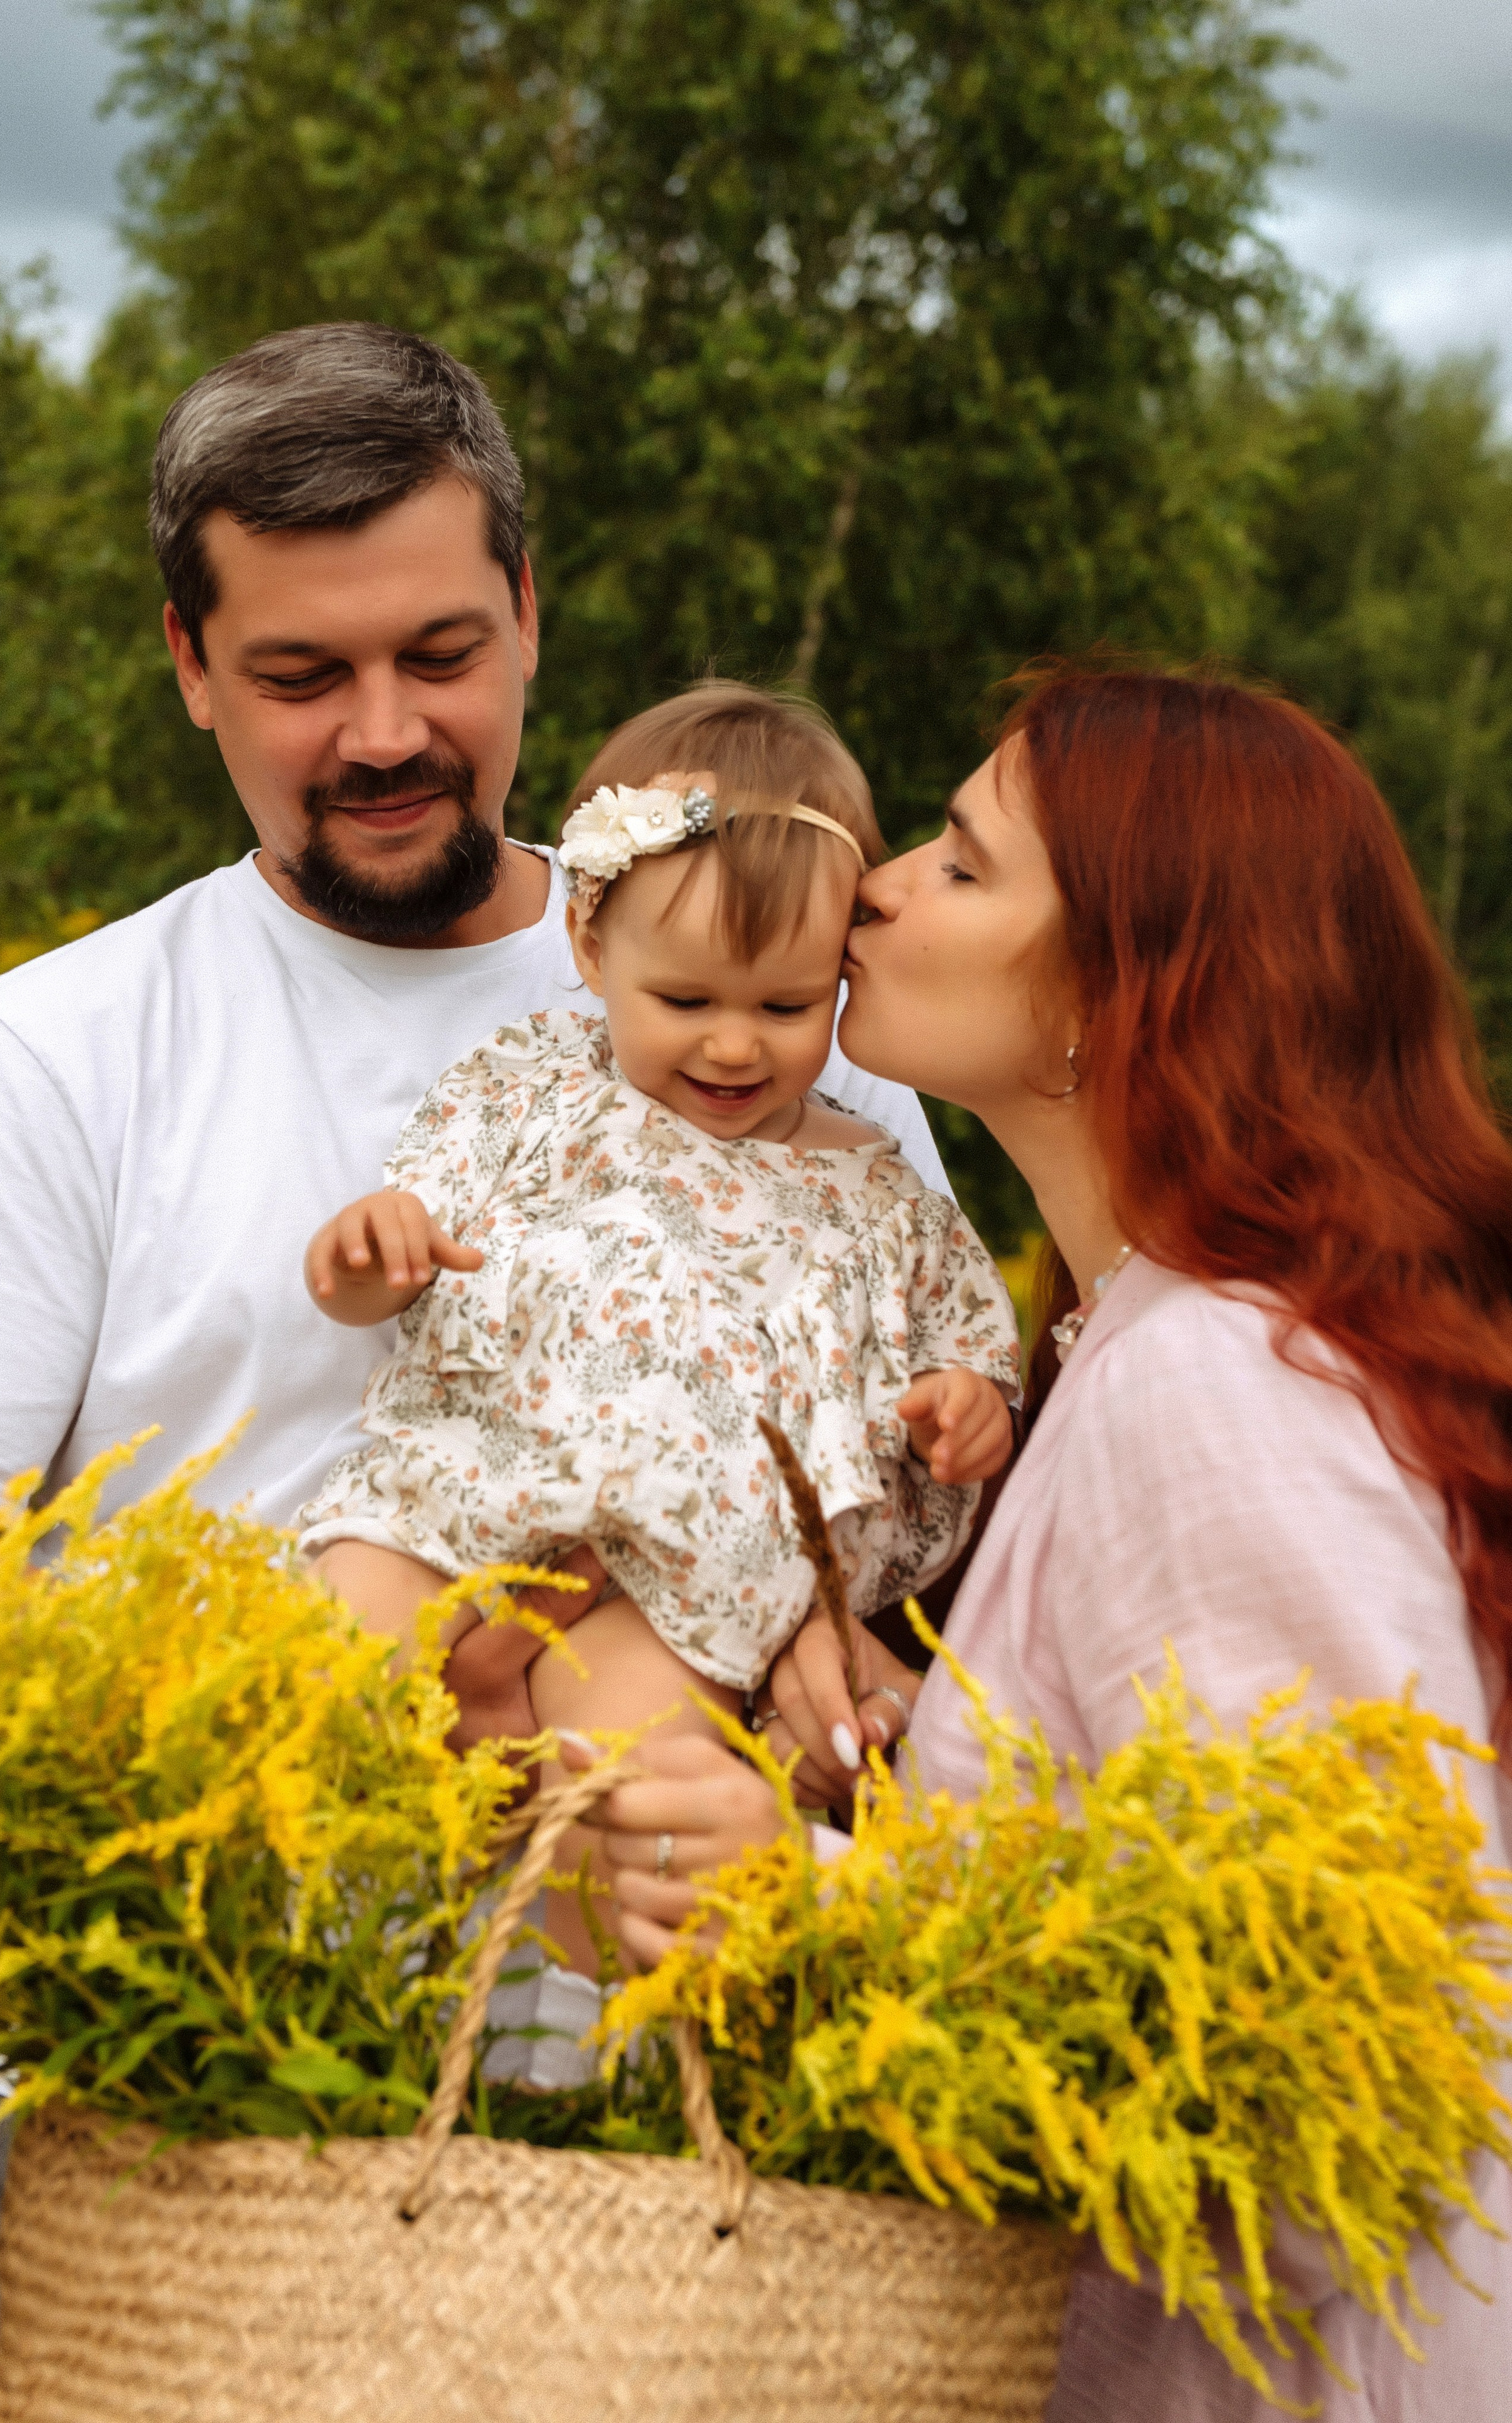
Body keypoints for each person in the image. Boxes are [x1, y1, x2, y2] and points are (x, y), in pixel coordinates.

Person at [0, 323, 949, 2423]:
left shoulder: (815, 1060)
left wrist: (844, 1720)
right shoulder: (57, 1054)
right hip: (161, 2099)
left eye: (442, 652)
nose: (386, 732)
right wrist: (320, 1729)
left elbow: (910, 1586)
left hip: (668, 2143)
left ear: (536, 620)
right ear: (189, 662)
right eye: (300, 674)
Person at [574, 664, 1512, 2420]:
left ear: (1118, 998)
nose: (878, 887)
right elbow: (1136, 1850)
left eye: (961, 861)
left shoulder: (1225, 1386)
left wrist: (807, 1898)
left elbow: (1337, 2039)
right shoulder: (1124, 1343)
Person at [298, 688, 1019, 1969]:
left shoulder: (873, 1187)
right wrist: (367, 1256)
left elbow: (964, 1347)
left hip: (685, 1584)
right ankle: (299, 1970)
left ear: (837, 975)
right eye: (684, 999)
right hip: (461, 1501)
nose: (735, 1046)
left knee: (633, 1820)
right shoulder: (529, 1086)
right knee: (328, 1672)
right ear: (589, 944)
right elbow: (393, 1266)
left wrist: (966, 1406)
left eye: (787, 1008)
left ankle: (603, 2078)